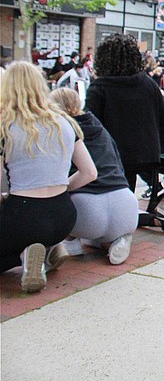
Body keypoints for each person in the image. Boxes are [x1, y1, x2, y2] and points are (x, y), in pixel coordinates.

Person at [0, 62, 97, 292]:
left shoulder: (5, 128)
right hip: (63, 216)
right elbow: (90, 172)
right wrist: (61, 188)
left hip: (22, 217)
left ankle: (28, 254)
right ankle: (47, 249)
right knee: (34, 230)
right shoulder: (63, 122)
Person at [85, 33, 164, 234]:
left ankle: (125, 229)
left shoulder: (99, 88)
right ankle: (142, 220)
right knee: (125, 195)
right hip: (146, 154)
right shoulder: (148, 83)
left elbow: (90, 126)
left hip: (112, 158)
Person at [50, 88, 138, 265]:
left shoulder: (61, 132)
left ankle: (71, 242)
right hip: (126, 205)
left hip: (86, 209)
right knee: (102, 233)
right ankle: (115, 241)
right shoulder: (100, 128)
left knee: (56, 193)